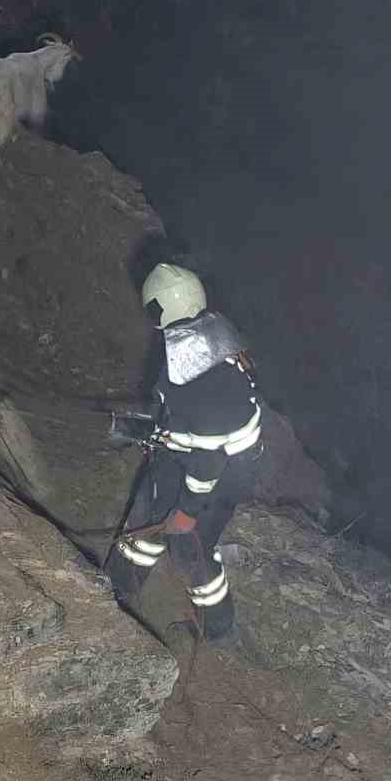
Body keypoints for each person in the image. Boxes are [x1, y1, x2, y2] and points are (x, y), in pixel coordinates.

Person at [108, 263, 262, 642]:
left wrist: (188, 511)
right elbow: (179, 409)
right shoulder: (201, 337)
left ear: (163, 309)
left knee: (190, 548)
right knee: (146, 514)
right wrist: (148, 427)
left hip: (223, 473)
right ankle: (116, 589)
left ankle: (218, 630)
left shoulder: (207, 375)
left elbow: (208, 458)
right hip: (188, 456)